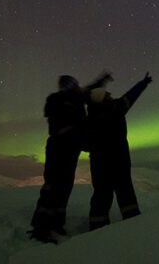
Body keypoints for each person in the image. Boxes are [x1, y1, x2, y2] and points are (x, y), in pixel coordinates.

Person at [28, 72, 111, 243]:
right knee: (52, 185)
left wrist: (102, 80)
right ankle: (41, 227)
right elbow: (55, 122)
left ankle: (57, 223)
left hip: (71, 149)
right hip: (58, 147)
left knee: (65, 186)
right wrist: (75, 132)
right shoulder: (56, 99)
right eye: (72, 84)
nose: (76, 86)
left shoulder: (77, 97)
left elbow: (91, 87)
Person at [86, 71, 153, 230]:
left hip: (99, 167)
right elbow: (131, 96)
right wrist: (142, 84)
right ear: (103, 98)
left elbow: (84, 143)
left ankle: (97, 227)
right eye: (106, 94)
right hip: (119, 163)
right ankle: (134, 225)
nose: (109, 94)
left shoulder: (90, 120)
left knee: (101, 196)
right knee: (126, 194)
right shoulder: (116, 109)